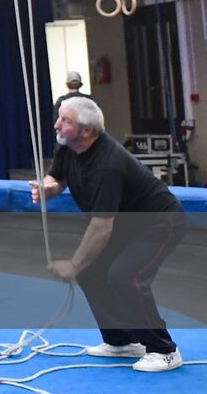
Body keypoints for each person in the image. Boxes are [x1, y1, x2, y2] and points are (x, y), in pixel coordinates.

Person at [29, 97, 186, 372]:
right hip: (128, 223)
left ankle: (165, 350)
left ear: (86, 131)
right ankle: (121, 341)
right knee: (92, 272)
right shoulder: (68, 144)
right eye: (59, 117)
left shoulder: (108, 165)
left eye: (65, 120)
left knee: (126, 276)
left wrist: (74, 263)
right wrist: (49, 187)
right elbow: (58, 178)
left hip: (159, 222)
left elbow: (101, 227)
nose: (56, 124)